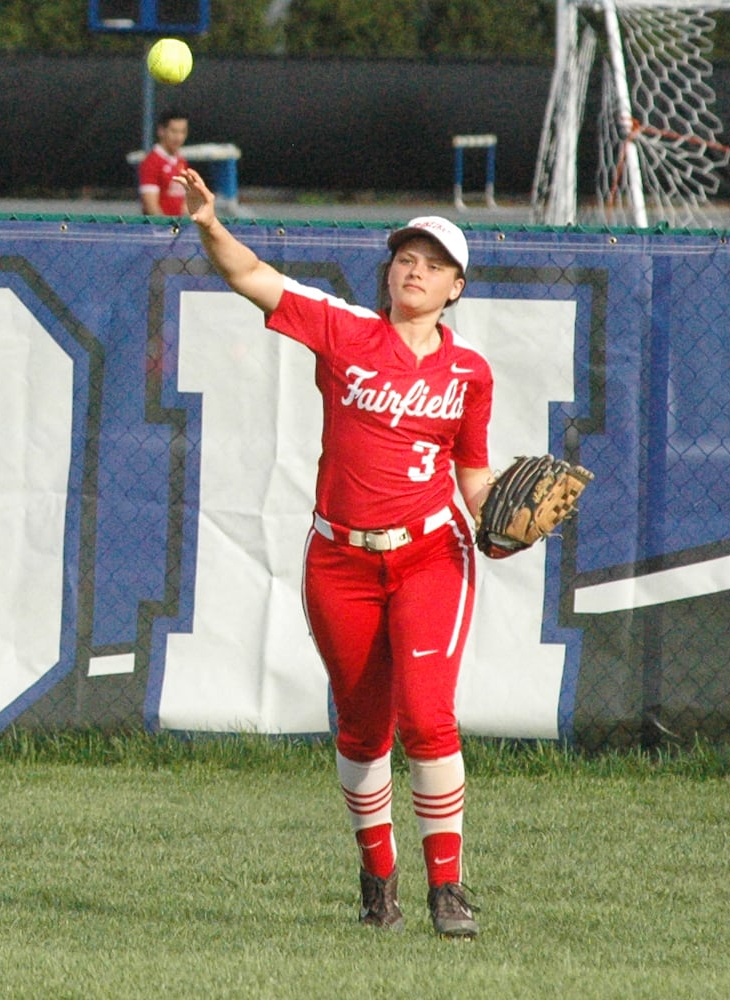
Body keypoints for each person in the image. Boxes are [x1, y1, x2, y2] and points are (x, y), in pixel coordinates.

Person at [178, 167, 495, 939]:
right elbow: (250, 276)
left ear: (454, 287)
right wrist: (206, 223)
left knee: (426, 717)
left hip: (429, 553)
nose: (412, 269)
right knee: (360, 727)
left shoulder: (469, 373)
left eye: (430, 263)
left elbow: (473, 475)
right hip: (340, 559)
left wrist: (504, 523)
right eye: (403, 258)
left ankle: (446, 889)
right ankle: (377, 877)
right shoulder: (345, 331)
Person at [138, 109, 190, 216]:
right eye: (174, 131)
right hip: (159, 230)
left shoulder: (181, 162)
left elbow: (184, 203)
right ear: (161, 131)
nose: (178, 137)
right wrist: (166, 230)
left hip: (177, 229)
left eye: (183, 132)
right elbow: (151, 207)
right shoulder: (151, 163)